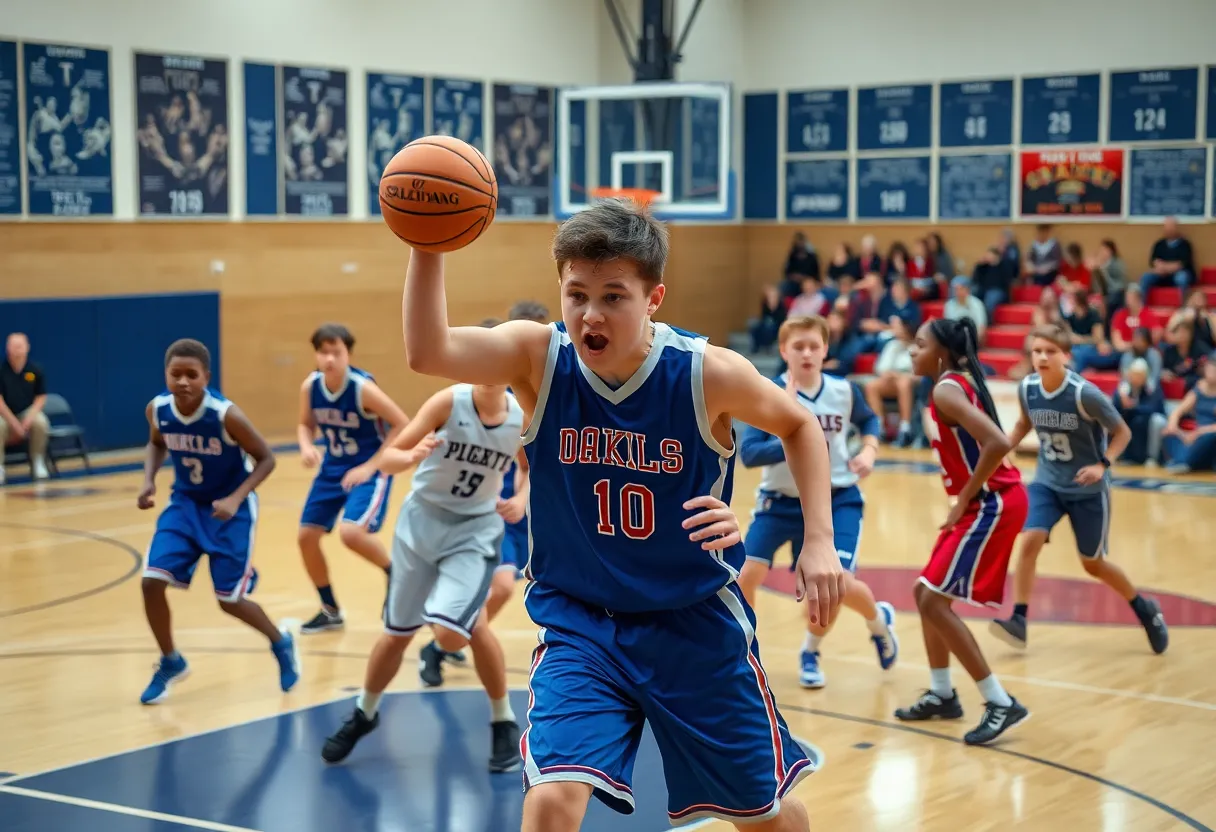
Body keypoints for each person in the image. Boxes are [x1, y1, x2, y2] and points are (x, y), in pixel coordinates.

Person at [402, 198, 844, 831]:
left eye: (614, 297)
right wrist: (428, 244)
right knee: (552, 800)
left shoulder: (704, 372)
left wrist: (818, 541)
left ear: (653, 298)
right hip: (583, 623)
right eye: (576, 294)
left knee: (764, 817)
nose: (590, 314)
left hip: (690, 624)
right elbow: (429, 351)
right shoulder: (537, 357)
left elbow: (800, 424)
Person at [321, 332, 528, 772]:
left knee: (456, 630)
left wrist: (523, 499)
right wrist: (412, 453)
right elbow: (389, 457)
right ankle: (365, 712)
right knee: (397, 633)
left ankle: (503, 720)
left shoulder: (521, 417)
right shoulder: (447, 403)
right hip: (421, 524)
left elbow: (530, 470)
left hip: (474, 530)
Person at [136, 339, 300, 704]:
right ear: (166, 374)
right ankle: (171, 660)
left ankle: (280, 641)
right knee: (150, 582)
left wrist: (235, 497)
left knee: (229, 601)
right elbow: (156, 443)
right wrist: (148, 479)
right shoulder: (158, 409)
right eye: (175, 374)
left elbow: (267, 459)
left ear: (206, 377)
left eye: (191, 375)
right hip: (185, 505)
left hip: (230, 511)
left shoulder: (226, 415)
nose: (182, 382)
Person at [739, 315, 898, 690]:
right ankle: (745, 653)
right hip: (778, 501)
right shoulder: (767, 393)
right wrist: (791, 431)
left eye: (814, 346)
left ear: (826, 350)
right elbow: (749, 454)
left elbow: (870, 421)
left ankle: (822, 646)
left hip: (835, 498)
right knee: (745, 576)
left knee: (836, 582)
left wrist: (871, 450)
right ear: (784, 351)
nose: (807, 353)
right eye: (798, 346)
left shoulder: (844, 391)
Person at [989, 325, 1169, 654]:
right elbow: (1022, 425)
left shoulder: (1083, 394)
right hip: (1047, 481)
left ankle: (1144, 608)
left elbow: (1122, 433)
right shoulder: (1027, 388)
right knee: (1029, 541)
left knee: (1093, 564)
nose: (1042, 357)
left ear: (1066, 356)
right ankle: (1019, 618)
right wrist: (1000, 450)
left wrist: (1103, 464)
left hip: (1087, 490)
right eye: (1037, 350)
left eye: (1050, 351)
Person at [894, 317, 1029, 746]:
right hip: (987, 501)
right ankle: (942, 694)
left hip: (992, 503)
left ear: (942, 354)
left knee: (934, 600)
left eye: (919, 344)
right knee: (924, 595)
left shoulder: (946, 389)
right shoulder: (955, 383)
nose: (912, 352)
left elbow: (997, 442)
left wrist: (963, 500)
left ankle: (1000, 701)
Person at [418, 300, 550, 686]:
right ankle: (451, 636)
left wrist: (526, 497)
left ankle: (446, 641)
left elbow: (531, 463)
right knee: (502, 585)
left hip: (520, 505)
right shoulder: (483, 391)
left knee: (504, 588)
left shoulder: (542, 387)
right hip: (479, 509)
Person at [296, 324, 411, 635]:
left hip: (369, 468)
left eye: (336, 352)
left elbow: (402, 424)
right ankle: (329, 609)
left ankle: (396, 573)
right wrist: (306, 446)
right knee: (306, 538)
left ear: (348, 354)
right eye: (323, 352)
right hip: (332, 468)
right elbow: (306, 425)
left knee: (351, 533)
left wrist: (371, 467)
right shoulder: (312, 386)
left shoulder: (361, 388)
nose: (329, 358)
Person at [0, 332, 50, 482]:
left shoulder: (35, 370)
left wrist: (29, 418)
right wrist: (14, 424)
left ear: (27, 347)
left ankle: (37, 462)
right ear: (7, 349)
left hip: (26, 412)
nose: (17, 350)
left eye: (20, 346)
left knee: (41, 423)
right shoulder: (1, 371)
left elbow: (41, 397)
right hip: (5, 414)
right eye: (13, 346)